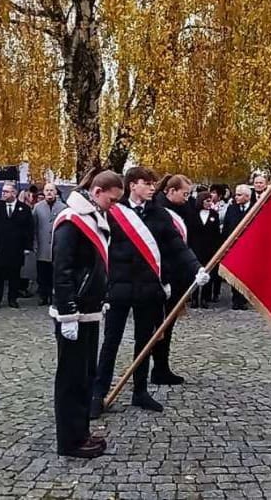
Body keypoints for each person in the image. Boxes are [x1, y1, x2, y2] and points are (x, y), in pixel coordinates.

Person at [90, 167, 210, 417]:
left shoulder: (159, 214)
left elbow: (176, 246)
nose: (152, 187)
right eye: (147, 183)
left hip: (149, 289)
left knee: (144, 342)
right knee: (110, 343)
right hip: (119, 287)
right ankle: (98, 393)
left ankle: (140, 391)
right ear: (132, 185)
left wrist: (196, 268)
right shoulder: (113, 211)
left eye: (154, 183)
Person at [51, 170, 124, 458]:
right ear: (96, 192)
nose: (114, 205)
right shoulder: (71, 221)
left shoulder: (93, 218)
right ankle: (70, 441)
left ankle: (81, 432)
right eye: (112, 199)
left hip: (90, 311)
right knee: (70, 379)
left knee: (85, 376)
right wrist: (68, 312)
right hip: (74, 314)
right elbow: (62, 270)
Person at [151, 173, 194, 385]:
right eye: (184, 193)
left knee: (167, 325)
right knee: (161, 324)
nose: (187, 197)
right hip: (164, 276)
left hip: (177, 275)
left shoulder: (180, 209)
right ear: (171, 191)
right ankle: (157, 368)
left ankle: (161, 366)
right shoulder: (160, 212)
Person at [0, 181, 34, 308]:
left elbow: (29, 229)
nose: (3, 194)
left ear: (14, 193)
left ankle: (12, 299)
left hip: (16, 249)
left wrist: (27, 246)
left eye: (6, 191)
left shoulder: (24, 209)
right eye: (2, 191)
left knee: (14, 276)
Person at [33, 183, 67, 305]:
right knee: (42, 273)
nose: (49, 193)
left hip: (57, 245)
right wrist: (35, 243)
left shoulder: (63, 207)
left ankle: (54, 296)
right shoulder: (37, 207)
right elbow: (34, 227)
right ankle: (43, 296)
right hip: (42, 246)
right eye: (47, 190)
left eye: (51, 190)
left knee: (55, 273)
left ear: (56, 192)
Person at [189, 192, 223, 307]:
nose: (210, 203)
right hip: (195, 248)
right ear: (201, 201)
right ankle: (193, 297)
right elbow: (189, 233)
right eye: (207, 201)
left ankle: (205, 298)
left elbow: (217, 234)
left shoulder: (214, 214)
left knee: (208, 273)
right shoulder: (192, 214)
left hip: (209, 249)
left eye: (211, 201)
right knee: (194, 273)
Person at [223, 184, 251, 310]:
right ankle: (235, 299)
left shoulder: (255, 208)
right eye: (236, 194)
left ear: (247, 196)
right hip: (233, 247)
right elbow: (226, 228)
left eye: (239, 195)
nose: (236, 197)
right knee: (234, 273)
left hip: (249, 247)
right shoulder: (231, 209)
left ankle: (244, 299)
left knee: (246, 274)